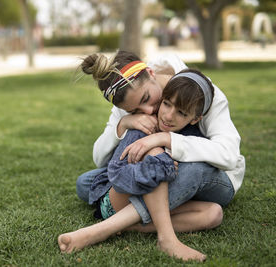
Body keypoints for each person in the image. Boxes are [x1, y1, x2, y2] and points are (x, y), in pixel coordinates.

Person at [60, 51, 245, 258]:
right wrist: (124, 123)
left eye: (147, 99)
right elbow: (99, 158)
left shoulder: (202, 94)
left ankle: (107, 229)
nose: (147, 111)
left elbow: (228, 155)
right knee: (86, 183)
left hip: (211, 179)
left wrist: (166, 139)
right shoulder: (129, 97)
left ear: (151, 72)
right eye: (135, 110)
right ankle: (136, 224)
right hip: (169, 175)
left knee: (189, 167)